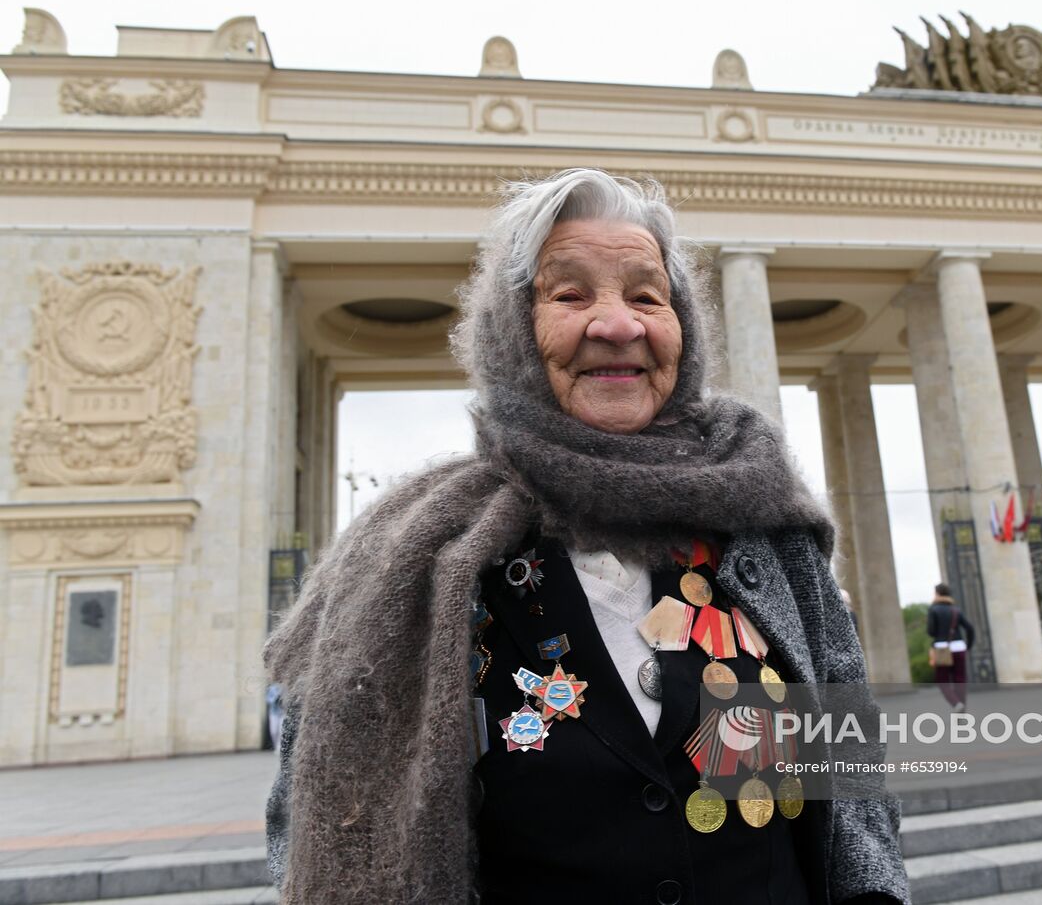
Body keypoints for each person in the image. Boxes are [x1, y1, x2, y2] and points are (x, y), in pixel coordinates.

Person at [263, 169, 909, 904]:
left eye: (645, 295)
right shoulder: (412, 558)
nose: (619, 325)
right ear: (511, 333)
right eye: (570, 294)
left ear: (681, 330)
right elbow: (317, 821)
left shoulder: (767, 530)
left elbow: (854, 789)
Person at [926, 583, 975, 712]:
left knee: (942, 680)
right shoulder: (956, 610)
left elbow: (931, 632)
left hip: (942, 648)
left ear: (937, 594)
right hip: (959, 647)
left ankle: (956, 703)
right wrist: (968, 646)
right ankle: (962, 710)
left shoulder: (934, 609)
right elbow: (970, 629)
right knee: (960, 679)